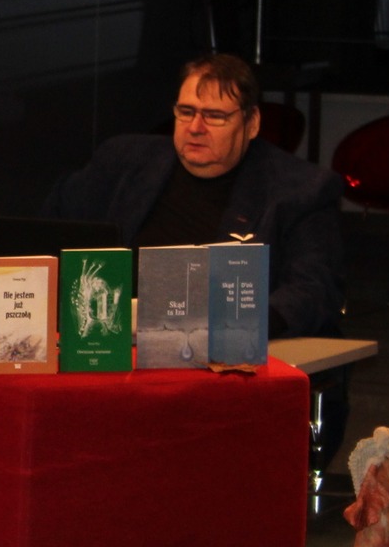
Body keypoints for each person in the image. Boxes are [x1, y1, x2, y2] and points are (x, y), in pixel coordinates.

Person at [45, 51, 345, 338]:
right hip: (111, 340)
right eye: (186, 112)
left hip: (224, 352)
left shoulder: (301, 190)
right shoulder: (122, 160)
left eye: (214, 116)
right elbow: (47, 235)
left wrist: (233, 327)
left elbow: (314, 291)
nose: (195, 128)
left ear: (251, 123)